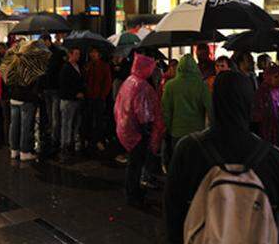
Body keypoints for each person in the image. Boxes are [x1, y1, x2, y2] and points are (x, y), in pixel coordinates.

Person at [164, 71, 279, 244]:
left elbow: (172, 209)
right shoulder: (272, 157)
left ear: (215, 100)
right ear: (249, 102)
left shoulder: (188, 149)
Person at [114, 53, 165, 206]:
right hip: (136, 132)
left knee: (133, 164)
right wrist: (148, 131)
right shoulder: (141, 86)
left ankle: (132, 191)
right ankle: (133, 195)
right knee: (135, 165)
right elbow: (144, 113)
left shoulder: (129, 81)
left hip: (126, 129)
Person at [161, 54, 212, 169]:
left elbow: (166, 110)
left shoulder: (170, 86)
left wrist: (168, 128)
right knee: (196, 163)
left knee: (179, 163)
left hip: (177, 131)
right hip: (197, 131)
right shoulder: (202, 85)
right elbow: (210, 107)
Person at [253, 66, 279, 161]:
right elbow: (257, 113)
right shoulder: (262, 92)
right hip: (267, 127)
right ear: (268, 77)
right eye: (276, 77)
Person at [59, 47, 85, 164]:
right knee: (67, 123)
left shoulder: (78, 66)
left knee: (72, 122)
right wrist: (75, 93)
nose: (78, 56)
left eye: (79, 54)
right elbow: (64, 86)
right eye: (76, 54)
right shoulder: (66, 68)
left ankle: (69, 142)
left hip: (74, 100)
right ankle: (65, 144)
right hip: (68, 100)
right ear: (70, 55)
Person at [40, 34, 66, 154]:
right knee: (50, 113)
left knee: (55, 114)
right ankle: (52, 134)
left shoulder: (58, 53)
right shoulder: (43, 53)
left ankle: (56, 137)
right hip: (47, 88)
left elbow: (58, 70)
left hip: (55, 88)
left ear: (47, 41)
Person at [84, 47, 112, 151]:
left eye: (94, 52)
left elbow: (107, 82)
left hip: (99, 97)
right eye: (91, 52)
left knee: (99, 120)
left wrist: (103, 95)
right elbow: (85, 80)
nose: (93, 54)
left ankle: (99, 140)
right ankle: (90, 140)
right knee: (89, 119)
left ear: (98, 54)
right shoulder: (88, 65)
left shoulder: (104, 66)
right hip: (89, 97)